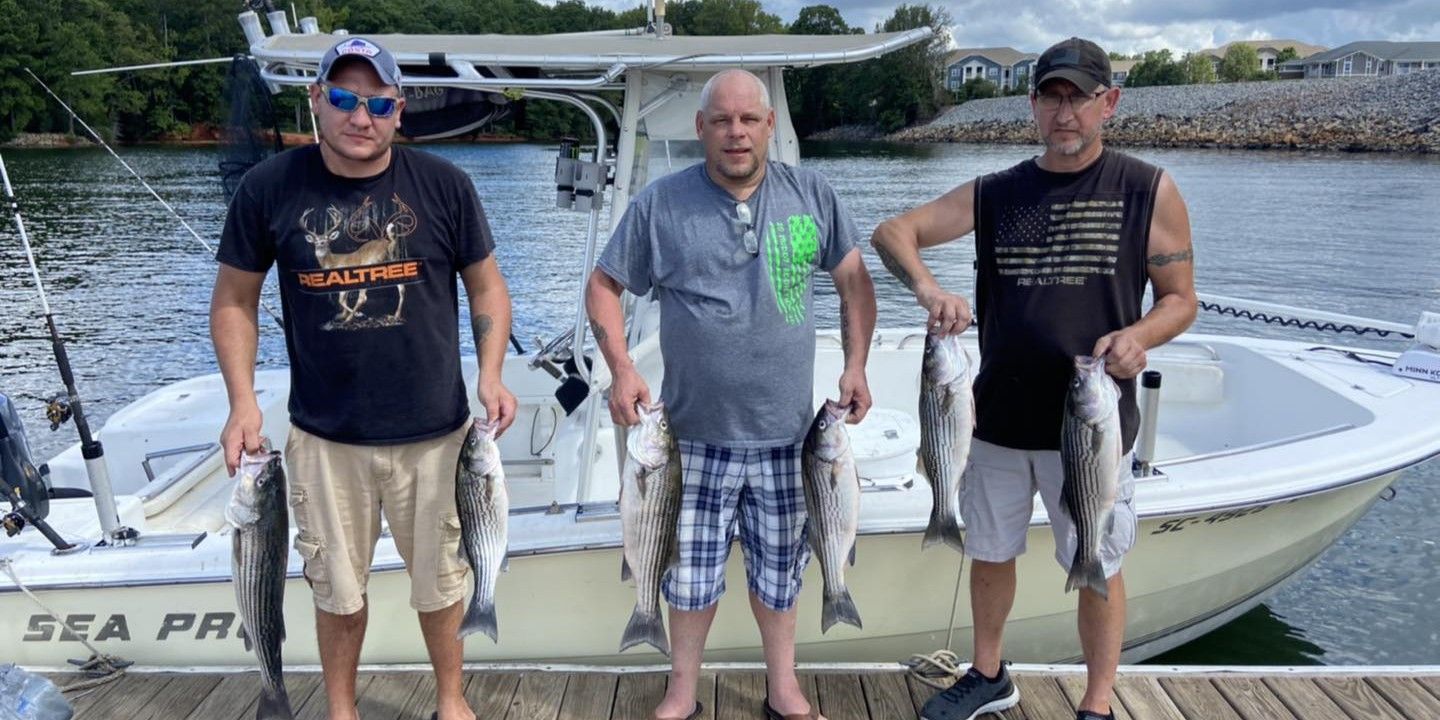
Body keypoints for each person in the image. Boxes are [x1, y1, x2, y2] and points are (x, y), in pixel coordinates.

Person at [871, 37, 1197, 720]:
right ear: (1033, 105)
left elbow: (1180, 299)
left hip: (1092, 421)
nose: (1064, 111)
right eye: (1051, 96)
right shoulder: (997, 192)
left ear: (1109, 102)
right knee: (989, 552)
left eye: (1078, 96)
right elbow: (894, 231)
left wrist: (1138, 338)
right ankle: (989, 673)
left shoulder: (1147, 188)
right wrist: (931, 291)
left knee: (1099, 563)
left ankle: (1099, 701)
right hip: (995, 418)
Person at [210, 37, 517, 720]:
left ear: (398, 110)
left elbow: (488, 292)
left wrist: (492, 373)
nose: (361, 117)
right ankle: (342, 711)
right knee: (336, 591)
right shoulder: (270, 188)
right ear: (317, 101)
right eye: (345, 99)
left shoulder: (444, 185)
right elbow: (234, 301)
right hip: (325, 435)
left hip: (438, 433)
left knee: (443, 583)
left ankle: (451, 701)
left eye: (377, 103)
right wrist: (240, 405)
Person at [586, 69, 876, 720]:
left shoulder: (813, 195)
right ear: (702, 128)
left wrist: (856, 364)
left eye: (749, 119)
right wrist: (622, 368)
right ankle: (682, 693)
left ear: (771, 124)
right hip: (690, 440)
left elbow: (854, 283)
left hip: (789, 438)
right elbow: (604, 285)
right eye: (722, 120)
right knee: (688, 581)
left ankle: (784, 689)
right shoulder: (661, 205)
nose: (736, 132)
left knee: (781, 574)